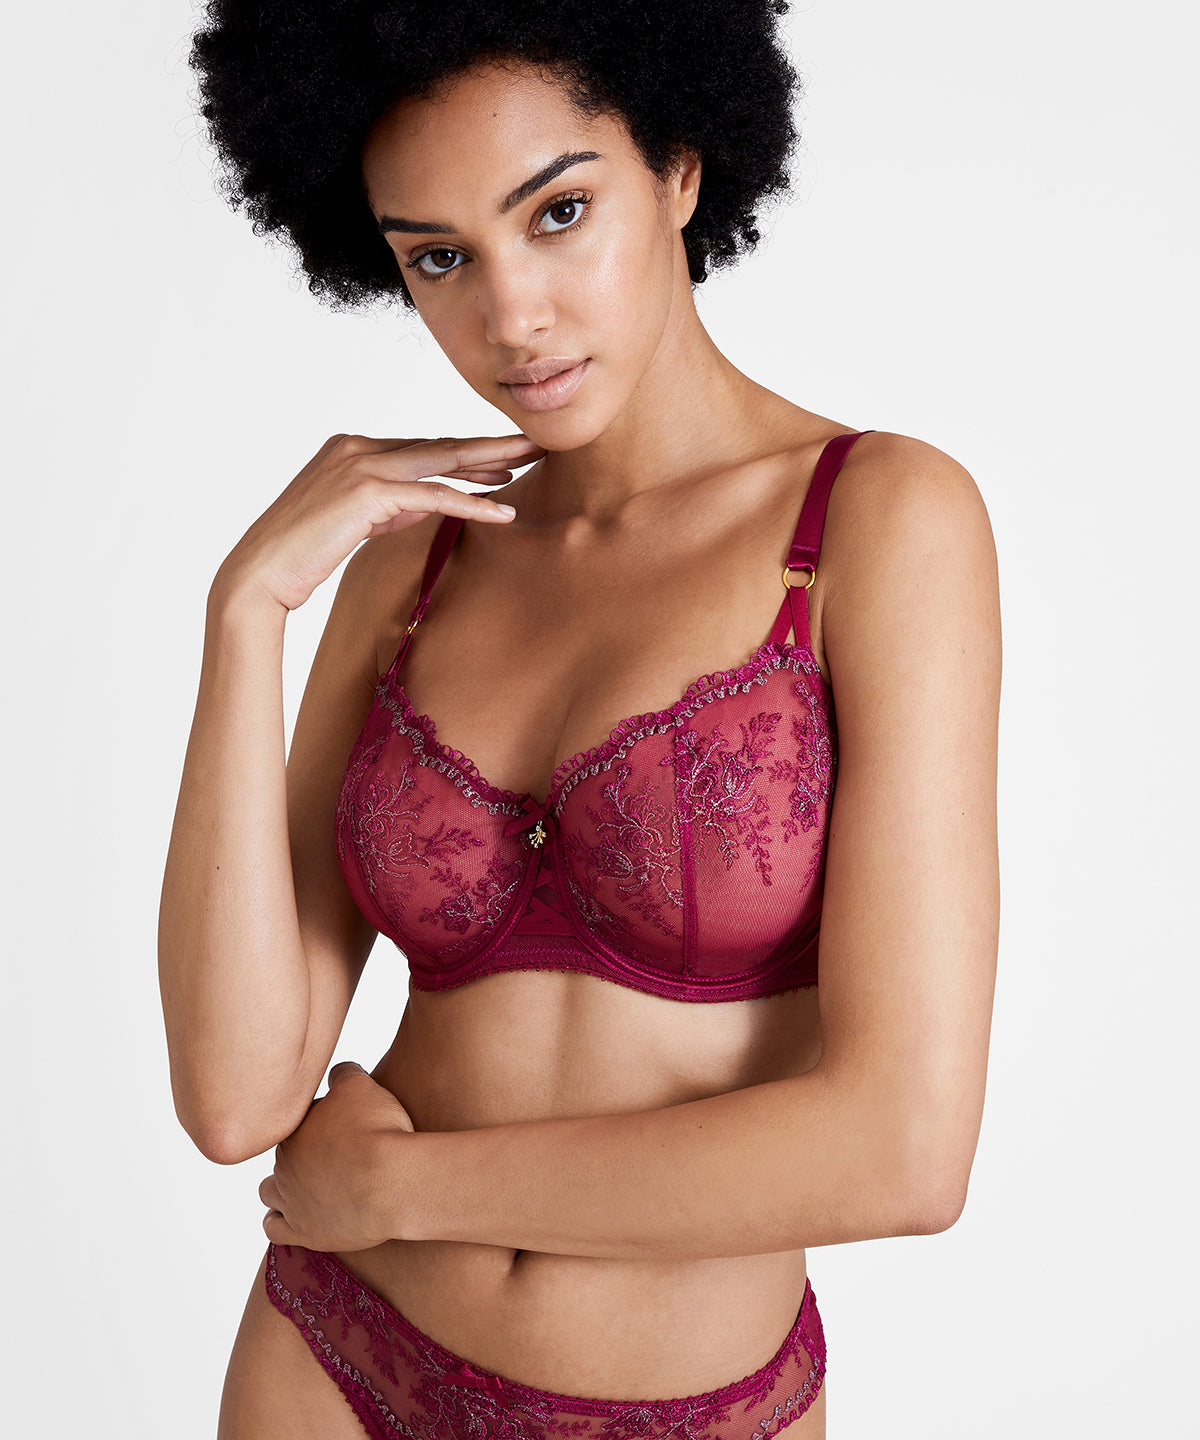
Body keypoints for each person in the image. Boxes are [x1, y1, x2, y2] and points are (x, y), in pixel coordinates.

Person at [159, 2, 1001, 1435]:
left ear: (680, 169)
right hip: (334, 1356)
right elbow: (238, 1098)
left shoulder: (878, 522)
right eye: (438, 257)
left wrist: (402, 1189)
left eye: (557, 213)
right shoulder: (408, 565)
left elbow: (903, 1151)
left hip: (686, 1399)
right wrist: (245, 614)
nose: (512, 317)